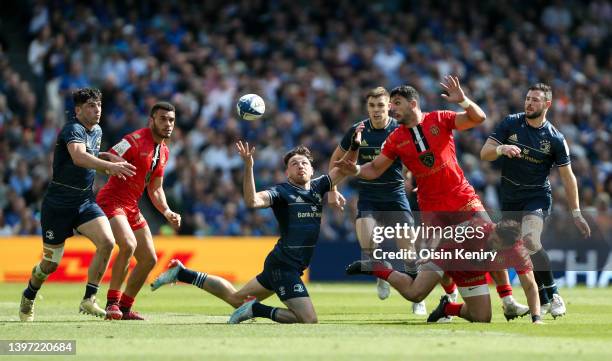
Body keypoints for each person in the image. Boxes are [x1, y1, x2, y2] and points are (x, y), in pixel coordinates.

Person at [334, 76, 529, 320]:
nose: (391, 108)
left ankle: (508, 299)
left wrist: (464, 100)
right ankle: (450, 298)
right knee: (444, 257)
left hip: (461, 196)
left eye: (396, 103)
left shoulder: (440, 118)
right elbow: (374, 169)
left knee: (489, 241)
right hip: (431, 206)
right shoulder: (395, 139)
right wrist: (356, 170)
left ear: (412, 103)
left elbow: (478, 118)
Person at [150, 142, 355, 323]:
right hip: (284, 266)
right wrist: (249, 167)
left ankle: (183, 273)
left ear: (312, 170)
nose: (300, 166)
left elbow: (344, 169)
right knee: (308, 319)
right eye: (294, 164)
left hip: (283, 263)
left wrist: (354, 146)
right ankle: (255, 309)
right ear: (287, 173)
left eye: (304, 163)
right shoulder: (282, 192)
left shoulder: (319, 187)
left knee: (235, 298)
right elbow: (253, 201)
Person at [19, 88, 136, 322]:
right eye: (92, 106)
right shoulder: (72, 129)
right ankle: (29, 295)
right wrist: (109, 167)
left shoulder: (97, 130)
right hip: (58, 204)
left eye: (99, 105)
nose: (97, 110)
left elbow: (90, 153)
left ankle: (89, 299)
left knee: (107, 242)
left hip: (84, 201)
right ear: (78, 110)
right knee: (50, 265)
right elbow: (78, 157)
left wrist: (106, 157)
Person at [480, 83, 591, 318]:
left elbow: (568, 177)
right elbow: (485, 152)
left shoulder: (555, 138)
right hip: (510, 198)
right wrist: (501, 149)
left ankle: (553, 293)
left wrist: (576, 213)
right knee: (510, 249)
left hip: (536, 196)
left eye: (535, 100)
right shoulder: (510, 123)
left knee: (531, 240)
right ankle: (515, 300)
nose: (529, 103)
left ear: (547, 104)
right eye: (527, 98)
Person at [328, 86, 425, 314]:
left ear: (389, 106)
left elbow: (414, 159)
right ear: (367, 107)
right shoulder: (357, 130)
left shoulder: (400, 129)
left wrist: (415, 177)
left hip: (395, 195)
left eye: (381, 105)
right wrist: (332, 189)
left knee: (408, 250)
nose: (376, 110)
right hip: (369, 196)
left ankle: (417, 297)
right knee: (368, 245)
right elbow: (336, 159)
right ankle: (382, 275)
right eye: (372, 106)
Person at [346, 217, 543, 324]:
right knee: (415, 294)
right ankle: (378, 268)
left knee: (482, 318)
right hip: (447, 254)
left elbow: (530, 286)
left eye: (497, 241)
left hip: (469, 270)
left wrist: (536, 319)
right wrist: (430, 253)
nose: (491, 238)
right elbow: (444, 233)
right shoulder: (481, 228)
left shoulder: (518, 253)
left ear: (509, 245)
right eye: (493, 235)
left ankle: (446, 308)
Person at [96, 102, 181, 320]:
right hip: (112, 200)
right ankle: (111, 304)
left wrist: (167, 211)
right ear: (151, 120)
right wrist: (116, 161)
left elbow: (156, 188)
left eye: (171, 120)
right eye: (163, 119)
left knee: (149, 259)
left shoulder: (163, 151)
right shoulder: (133, 140)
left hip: (131, 206)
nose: (168, 124)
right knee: (128, 245)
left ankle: (124, 308)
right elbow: (105, 156)